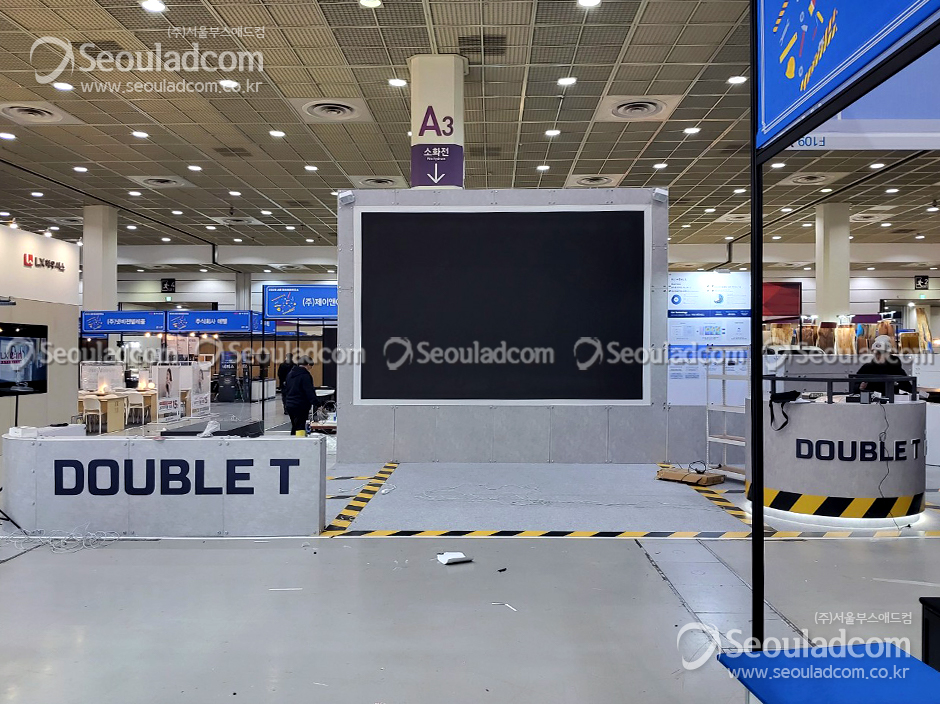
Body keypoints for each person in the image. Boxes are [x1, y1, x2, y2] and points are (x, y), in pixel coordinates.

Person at [283, 357, 319, 434]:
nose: (310, 369)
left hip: (289, 404)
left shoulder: (290, 374)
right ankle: (299, 440)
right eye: (311, 366)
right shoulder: (305, 375)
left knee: (295, 426)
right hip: (301, 405)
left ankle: (293, 439)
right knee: (300, 427)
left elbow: (286, 389)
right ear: (308, 364)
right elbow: (309, 391)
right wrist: (317, 403)